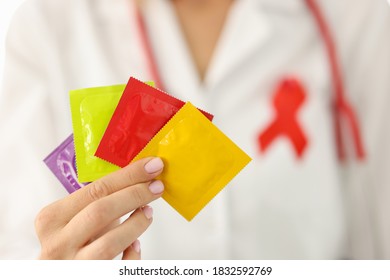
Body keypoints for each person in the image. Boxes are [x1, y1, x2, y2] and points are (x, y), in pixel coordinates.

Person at [0, 0, 390, 260]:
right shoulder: (47, 26)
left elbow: (377, 232)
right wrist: (45, 267)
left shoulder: (354, 18)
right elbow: (19, 243)